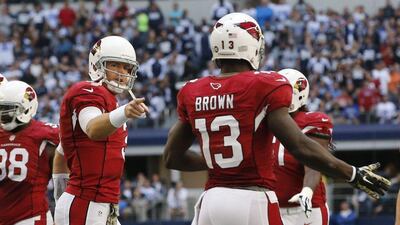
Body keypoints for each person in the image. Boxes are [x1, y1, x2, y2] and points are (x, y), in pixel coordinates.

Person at [163, 13, 390, 225]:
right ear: (252, 46)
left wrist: (217, 160)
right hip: (252, 199)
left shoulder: (193, 90)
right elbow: (300, 147)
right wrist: (351, 173)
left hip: (211, 201)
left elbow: (171, 158)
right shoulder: (264, 85)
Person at [55, 35, 149, 225]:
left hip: (99, 205)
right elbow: (92, 129)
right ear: (97, 65)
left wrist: (61, 194)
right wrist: (64, 196)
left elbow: (61, 153)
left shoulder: (111, 102)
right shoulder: (88, 91)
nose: (122, 72)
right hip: (86, 203)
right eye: (114, 65)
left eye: (126, 67)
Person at [274, 69, 330, 225]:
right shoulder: (265, 123)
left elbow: (314, 162)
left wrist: (307, 190)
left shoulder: (311, 121)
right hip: (272, 209)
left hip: (305, 211)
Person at [0, 80, 59, 225]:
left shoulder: (46, 134)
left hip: (30, 218)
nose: (3, 114)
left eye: (7, 109)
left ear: (27, 107)